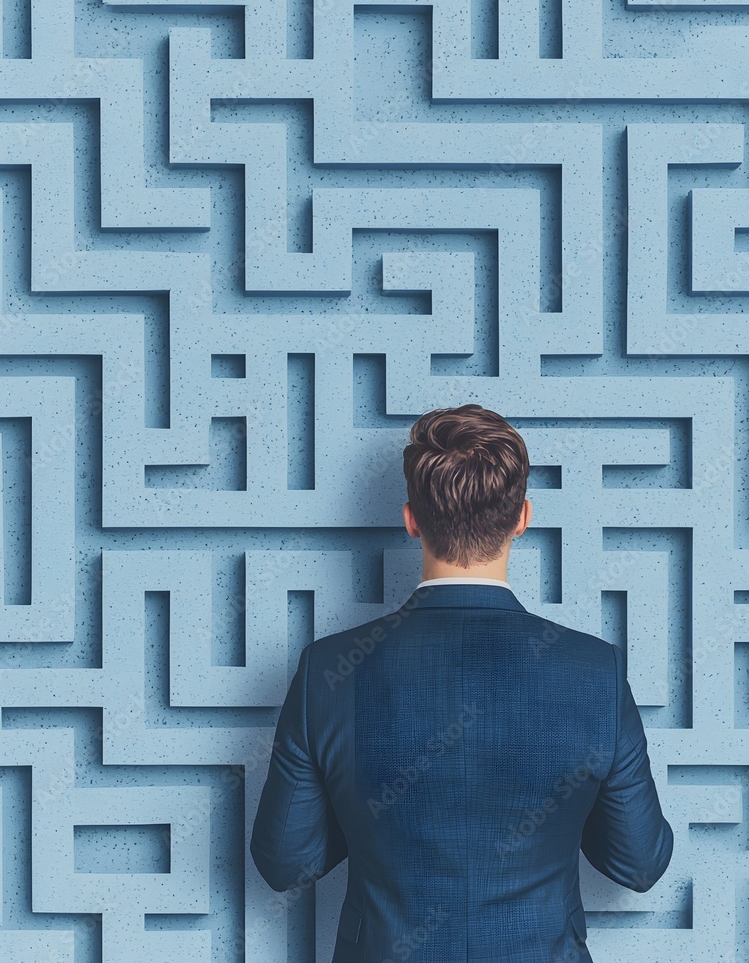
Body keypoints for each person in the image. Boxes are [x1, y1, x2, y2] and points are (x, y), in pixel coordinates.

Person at [250, 403, 674, 962]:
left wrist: (363, 813)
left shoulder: (328, 671)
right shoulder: (594, 670)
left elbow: (285, 861)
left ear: (411, 519)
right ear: (522, 517)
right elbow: (638, 862)